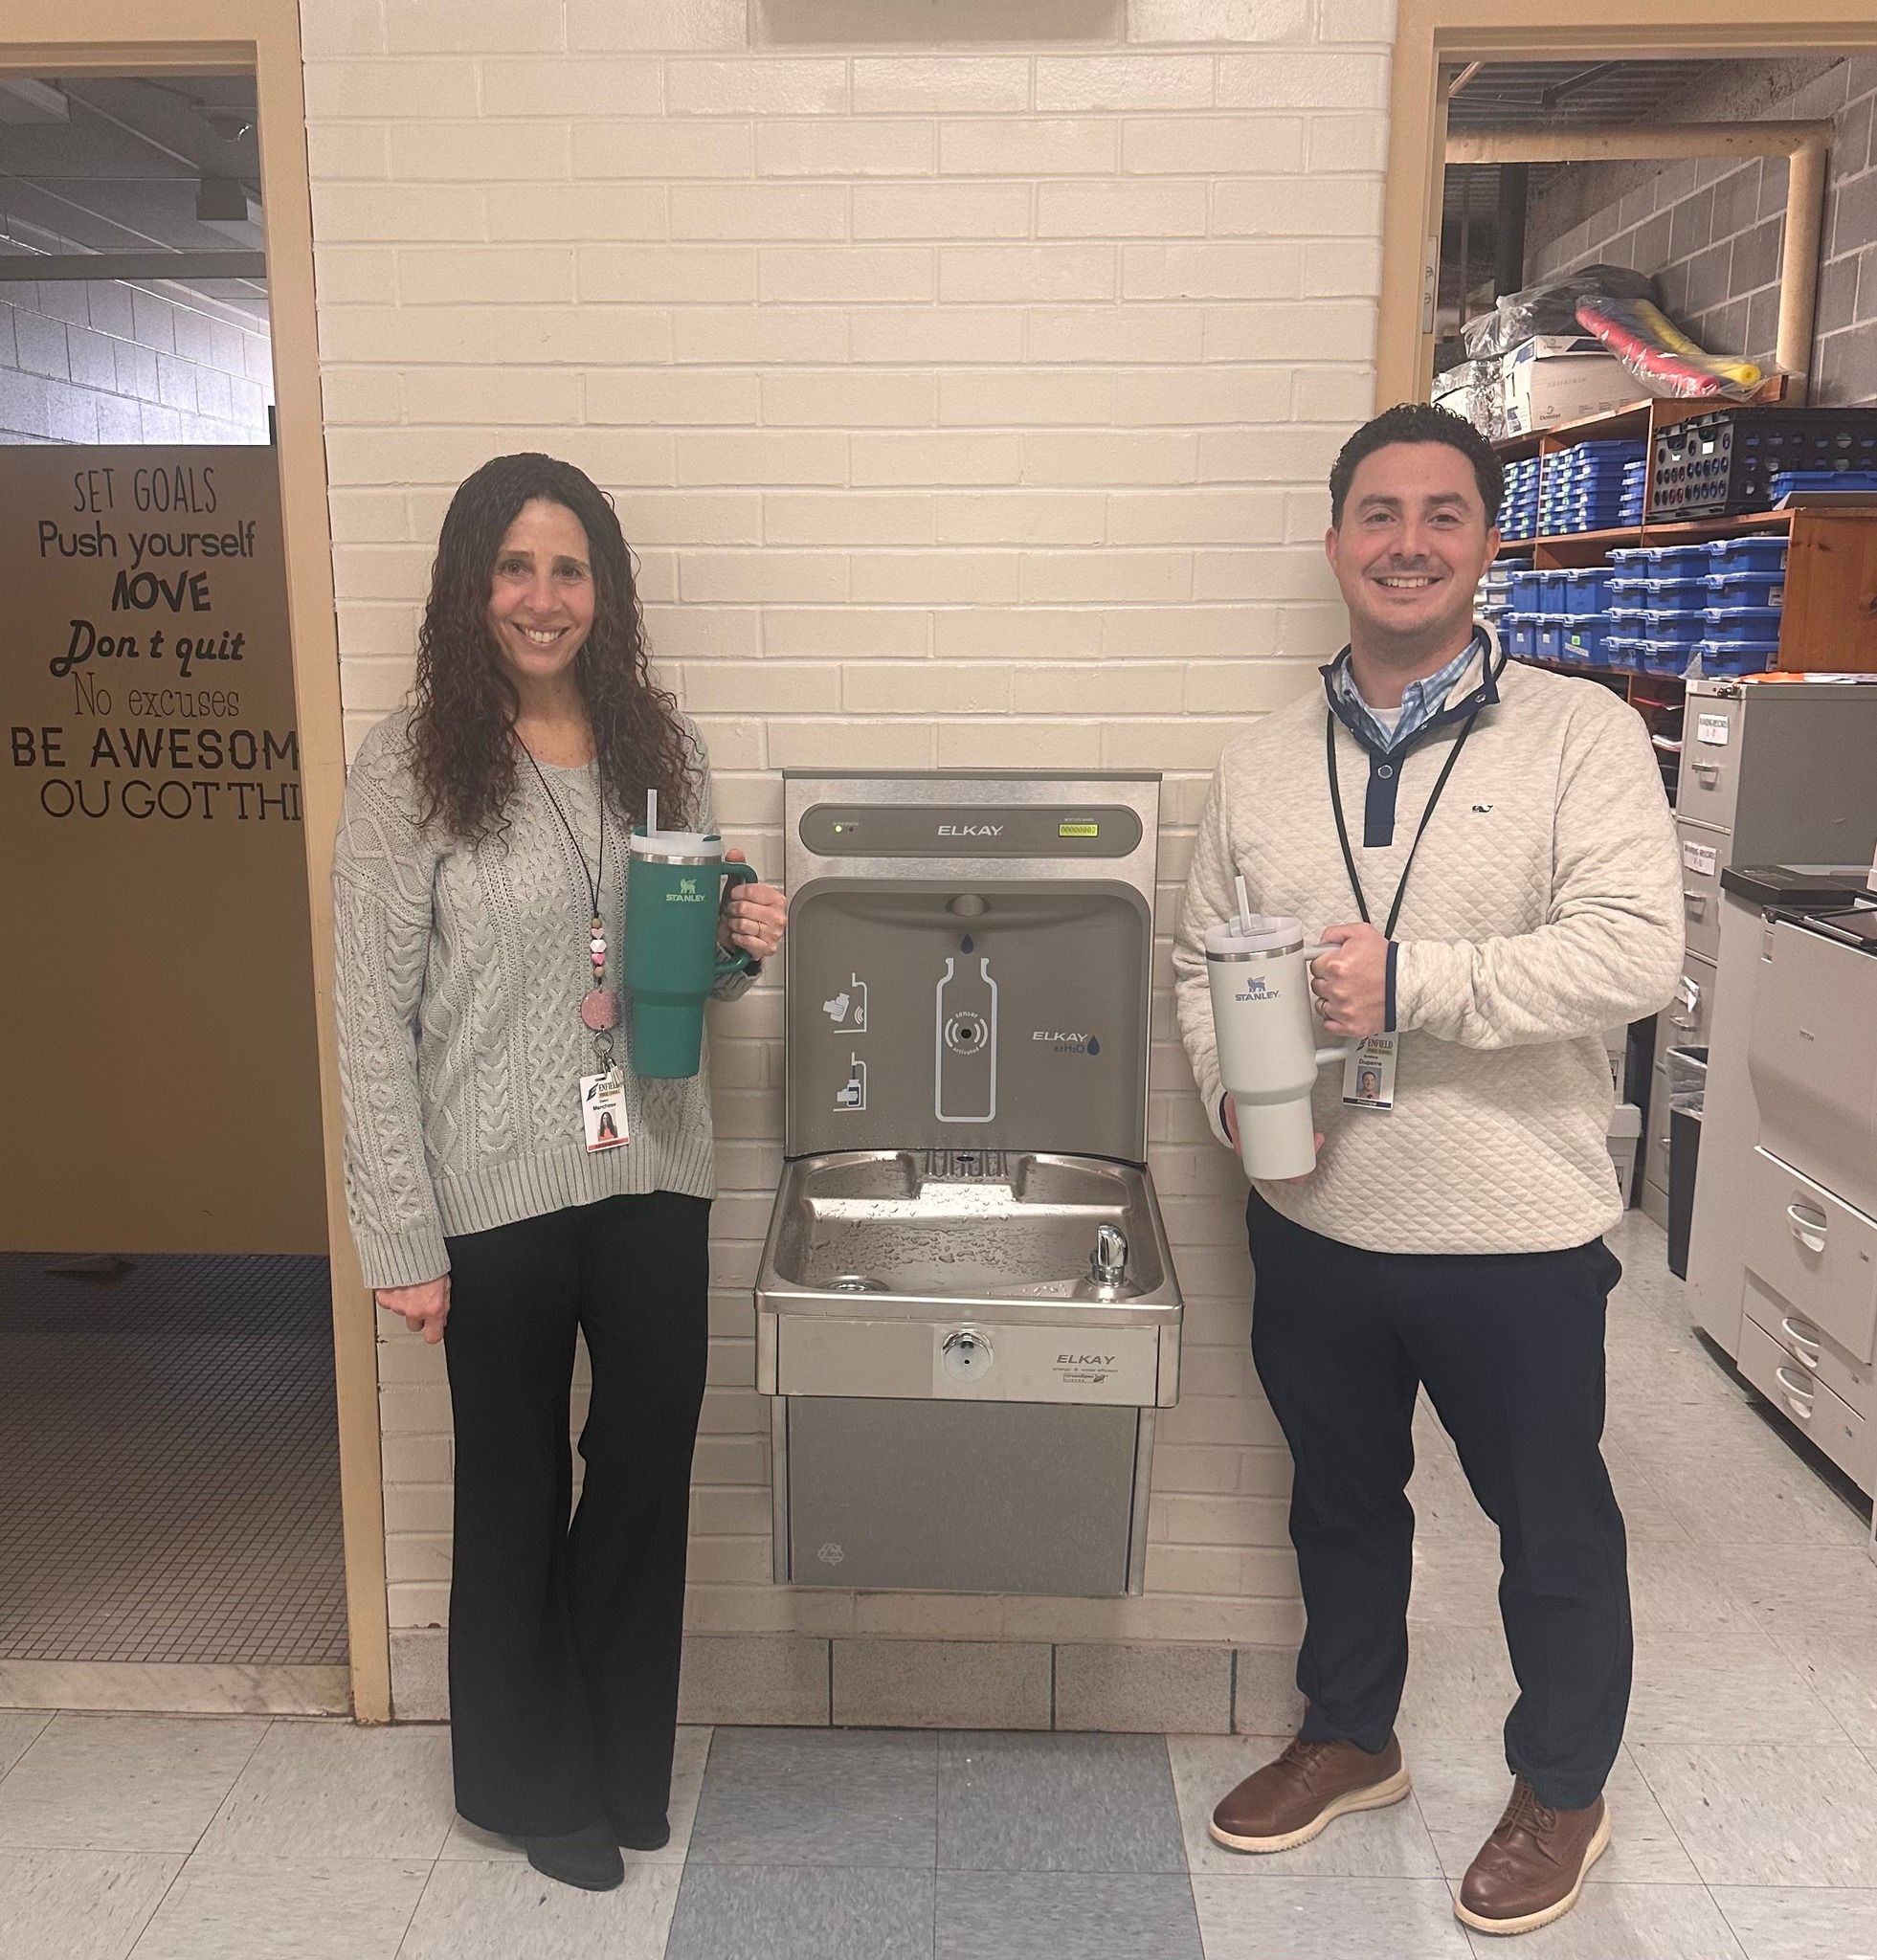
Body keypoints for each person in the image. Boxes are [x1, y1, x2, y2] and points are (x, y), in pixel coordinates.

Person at [1173, 404, 1682, 1939]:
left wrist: (1416, 984)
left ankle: (1562, 1786)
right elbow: (1202, 966)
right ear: (1335, 543)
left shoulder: (1578, 734)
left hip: (1515, 1222)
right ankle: (1351, 1732)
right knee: (1338, 1499)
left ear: (1484, 542)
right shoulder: (1262, 761)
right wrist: (1230, 1093)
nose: (1407, 543)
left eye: (1442, 514)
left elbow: (1636, 952)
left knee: (1549, 1522)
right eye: (1378, 514)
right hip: (1317, 1214)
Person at [332, 453, 788, 1895]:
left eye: (569, 568)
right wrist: (399, 1232)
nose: (543, 597)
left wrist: (737, 943)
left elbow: (681, 980)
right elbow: (366, 1016)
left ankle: (612, 1751)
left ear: (607, 590)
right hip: (492, 1190)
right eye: (516, 567)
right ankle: (530, 1778)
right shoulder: (412, 765)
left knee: (647, 1467)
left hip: (653, 1168)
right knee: (512, 1485)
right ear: (474, 585)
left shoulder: (662, 747)